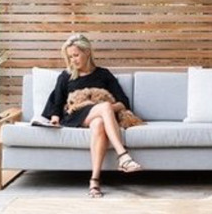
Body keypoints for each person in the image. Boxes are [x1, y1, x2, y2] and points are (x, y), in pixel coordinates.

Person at [41, 33, 142, 197]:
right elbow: (57, 103)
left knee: (99, 123)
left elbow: (123, 102)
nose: (73, 60)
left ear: (87, 52)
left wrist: (106, 108)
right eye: (70, 56)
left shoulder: (104, 74)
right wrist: (54, 119)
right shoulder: (66, 76)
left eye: (76, 55)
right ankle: (123, 156)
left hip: (98, 116)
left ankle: (94, 180)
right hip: (75, 115)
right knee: (103, 108)